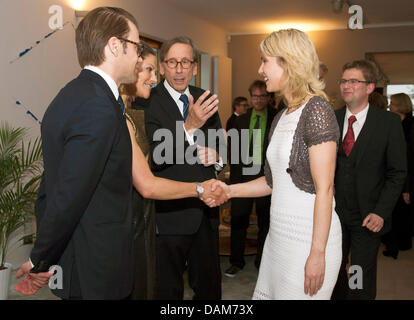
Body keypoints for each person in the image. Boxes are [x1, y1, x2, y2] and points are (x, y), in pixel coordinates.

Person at [14, 7, 143, 299]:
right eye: (137, 46)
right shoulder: (98, 106)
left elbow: (51, 186)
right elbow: (69, 192)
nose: (139, 56)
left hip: (75, 259)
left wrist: (46, 256)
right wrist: (40, 258)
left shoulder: (68, 95)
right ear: (114, 45)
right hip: (96, 265)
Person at [215, 28, 342, 299]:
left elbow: (325, 189)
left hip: (309, 239)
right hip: (279, 237)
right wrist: (230, 190)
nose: (260, 69)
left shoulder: (317, 110)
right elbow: (273, 182)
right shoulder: (281, 116)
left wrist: (317, 253)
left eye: (265, 60)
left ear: (289, 62)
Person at [118, 42, 226, 300]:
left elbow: (220, 144)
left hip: (207, 211)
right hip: (169, 215)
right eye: (172, 63)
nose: (179, 70)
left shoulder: (205, 97)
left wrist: (218, 158)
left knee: (210, 287)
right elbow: (154, 158)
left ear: (195, 68)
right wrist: (189, 126)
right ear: (163, 67)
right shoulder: (145, 101)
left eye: (185, 62)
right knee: (167, 290)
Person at [331, 60, 406, 300]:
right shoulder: (332, 119)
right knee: (333, 269)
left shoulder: (388, 123)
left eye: (354, 81)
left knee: (359, 274)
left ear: (370, 87)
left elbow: (397, 173)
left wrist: (381, 212)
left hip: (368, 217)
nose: (346, 86)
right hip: (333, 215)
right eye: (344, 80)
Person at [224, 80, 277, 278]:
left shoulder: (276, 118)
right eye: (254, 96)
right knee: (238, 220)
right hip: (243, 178)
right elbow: (233, 152)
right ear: (250, 97)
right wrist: (235, 182)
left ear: (268, 97)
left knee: (266, 222)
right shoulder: (241, 120)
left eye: (262, 96)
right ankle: (236, 261)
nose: (258, 100)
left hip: (267, 178)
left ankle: (261, 262)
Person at [382, 93, 413, 259]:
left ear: (400, 105)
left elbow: (409, 158)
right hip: (394, 176)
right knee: (395, 213)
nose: (389, 106)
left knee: (402, 213)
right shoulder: (394, 123)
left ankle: (402, 243)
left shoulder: (410, 125)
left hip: (405, 178)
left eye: (392, 103)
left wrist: (407, 187)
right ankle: (395, 244)